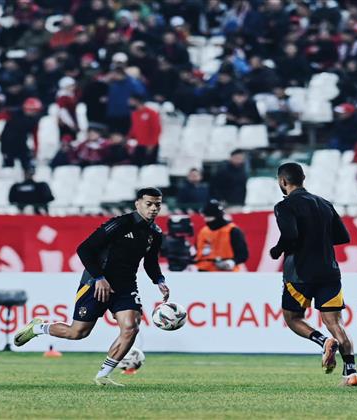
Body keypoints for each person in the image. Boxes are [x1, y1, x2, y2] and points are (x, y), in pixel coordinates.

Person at [13, 188, 170, 387]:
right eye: (149, 204)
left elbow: (150, 262)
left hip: (126, 285)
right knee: (77, 333)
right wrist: (99, 277)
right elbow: (85, 249)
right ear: (137, 203)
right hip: (96, 282)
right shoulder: (120, 224)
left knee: (131, 327)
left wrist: (160, 281)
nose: (154, 208)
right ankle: (38, 328)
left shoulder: (155, 233)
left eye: (157, 204)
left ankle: (103, 375)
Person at [270, 162, 357, 386]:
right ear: (303, 178)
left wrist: (277, 249)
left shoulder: (285, 205)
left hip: (300, 272)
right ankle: (351, 372)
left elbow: (290, 234)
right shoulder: (324, 203)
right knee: (335, 322)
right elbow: (343, 236)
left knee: (293, 318)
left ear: (283, 181)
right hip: (329, 271)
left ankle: (323, 341)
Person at [195, 199, 248, 272]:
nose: (206, 220)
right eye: (205, 217)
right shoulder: (203, 231)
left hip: (226, 272)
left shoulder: (233, 231)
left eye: (209, 217)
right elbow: (197, 251)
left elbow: (243, 255)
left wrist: (231, 262)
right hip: (204, 271)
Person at [0, 97, 43, 170]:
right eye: (34, 111)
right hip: (7, 143)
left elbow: (35, 136)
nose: (35, 113)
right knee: (8, 166)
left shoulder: (34, 121)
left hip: (21, 144)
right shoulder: (13, 113)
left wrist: (36, 150)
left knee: (27, 164)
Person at [128, 94, 161, 166]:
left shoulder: (152, 113)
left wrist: (152, 144)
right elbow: (134, 128)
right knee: (136, 165)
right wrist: (129, 139)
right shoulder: (134, 114)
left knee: (149, 167)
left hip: (150, 145)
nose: (129, 102)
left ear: (137, 101)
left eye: (131, 100)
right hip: (139, 144)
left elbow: (156, 129)